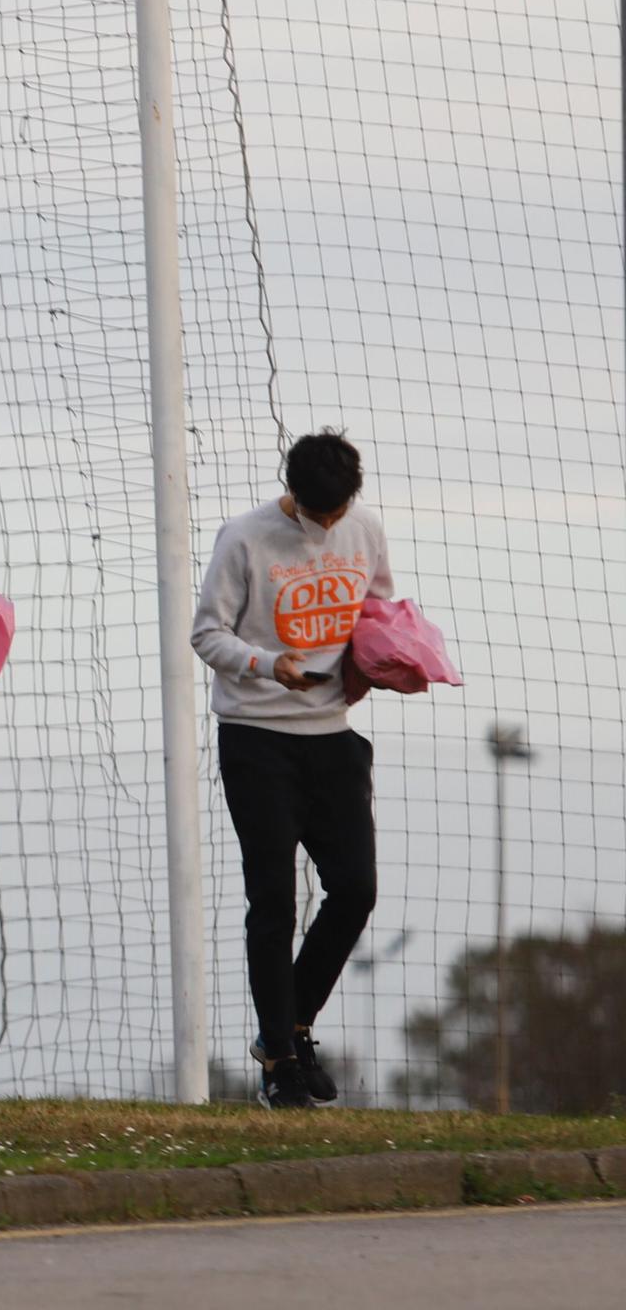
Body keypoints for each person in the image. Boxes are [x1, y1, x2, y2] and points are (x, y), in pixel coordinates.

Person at [191, 431, 393, 1108]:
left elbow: (379, 610)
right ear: (294, 494)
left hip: (333, 736)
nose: (330, 526)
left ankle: (293, 1023)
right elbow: (206, 632)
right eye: (319, 514)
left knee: (356, 889)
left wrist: (390, 660)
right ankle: (279, 1059)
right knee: (272, 900)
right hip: (257, 738)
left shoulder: (364, 528)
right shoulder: (245, 537)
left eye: (339, 514)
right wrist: (262, 662)